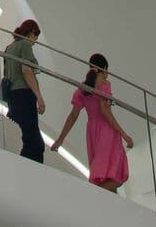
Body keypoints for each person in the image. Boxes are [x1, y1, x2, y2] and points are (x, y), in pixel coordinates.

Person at [49, 52, 134, 191]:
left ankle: (105, 199)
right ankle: (101, 198)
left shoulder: (83, 88)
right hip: (107, 131)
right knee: (113, 172)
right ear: (104, 68)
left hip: (92, 132)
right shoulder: (105, 84)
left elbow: (73, 116)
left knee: (102, 173)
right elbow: (105, 111)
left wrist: (60, 140)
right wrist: (124, 134)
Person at [1, 19, 47, 162]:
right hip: (24, 95)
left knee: (30, 139)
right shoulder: (25, 44)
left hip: (12, 96)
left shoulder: (9, 47)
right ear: (32, 32)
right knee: (35, 143)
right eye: (36, 35)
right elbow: (26, 70)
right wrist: (39, 97)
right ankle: (29, 170)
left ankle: (25, 168)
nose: (35, 41)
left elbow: (7, 73)